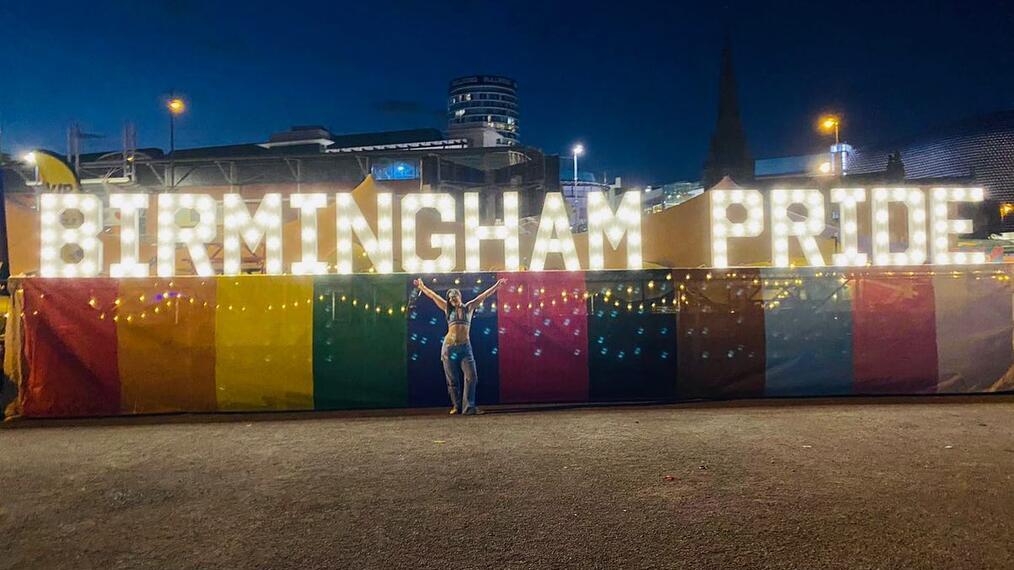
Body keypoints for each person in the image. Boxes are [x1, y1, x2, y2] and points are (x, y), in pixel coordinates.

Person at [413, 277, 506, 415]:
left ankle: (469, 407)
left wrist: (497, 285)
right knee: (452, 379)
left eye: (454, 296)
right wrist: (422, 287)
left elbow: (483, 295)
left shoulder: (469, 307)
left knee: (471, 376)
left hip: (465, 348)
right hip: (449, 348)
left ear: (459, 296)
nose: (452, 299)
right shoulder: (447, 309)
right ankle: (456, 406)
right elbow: (433, 296)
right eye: (450, 298)